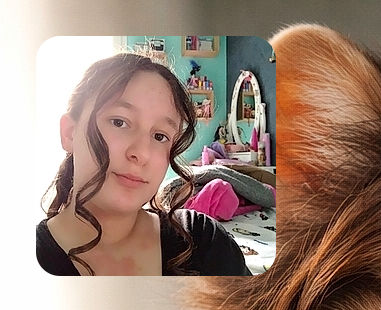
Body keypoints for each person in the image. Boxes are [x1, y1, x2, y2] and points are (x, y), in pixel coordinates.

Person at [36, 52, 249, 276]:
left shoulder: (204, 240)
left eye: (160, 136)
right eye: (119, 122)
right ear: (69, 133)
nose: (142, 153)